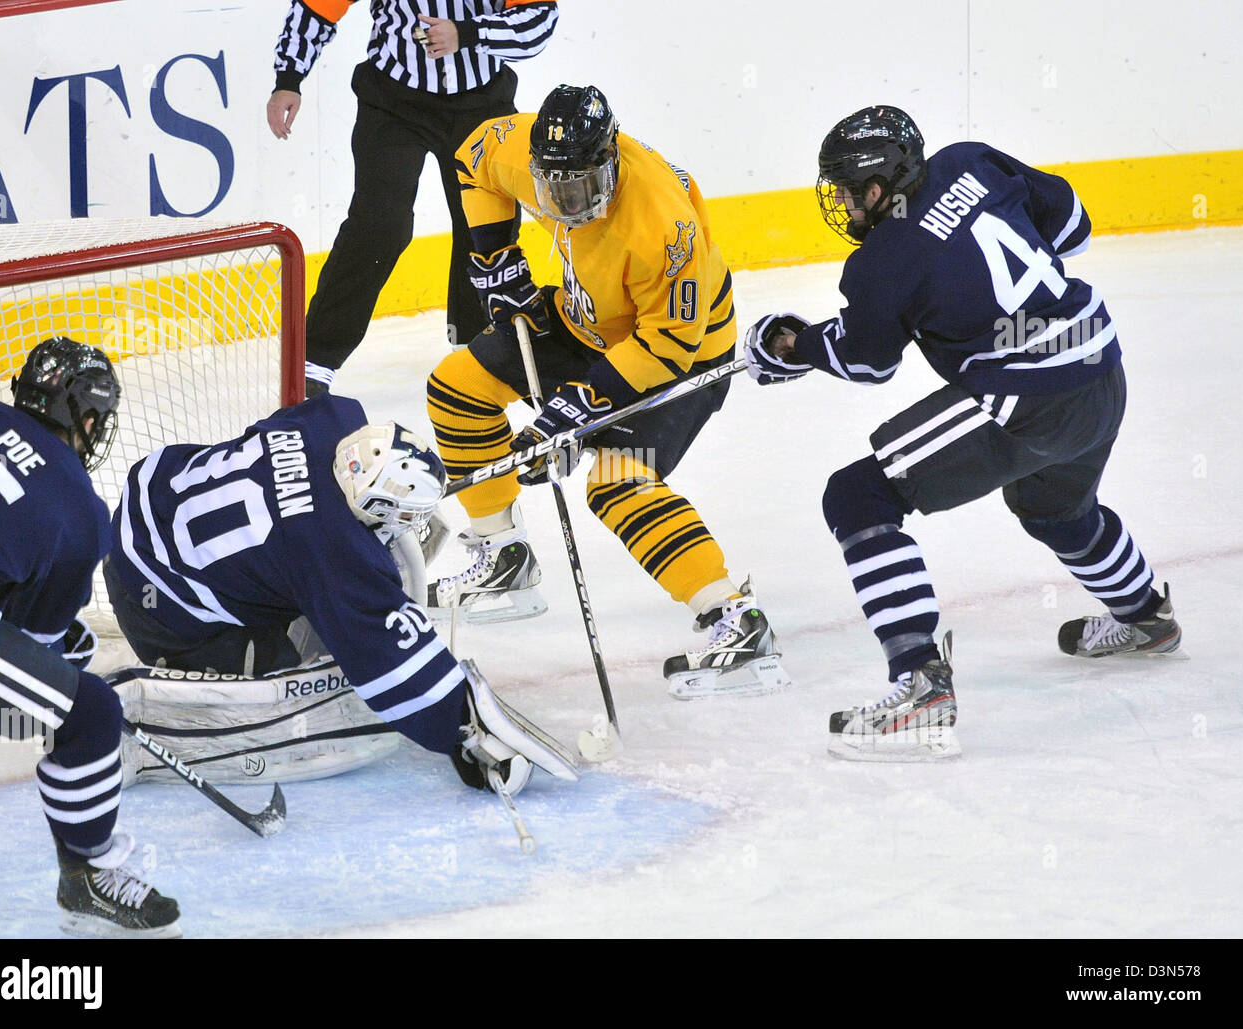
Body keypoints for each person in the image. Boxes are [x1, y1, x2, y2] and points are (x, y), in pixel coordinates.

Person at [743, 105, 1181, 760]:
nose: (837, 202)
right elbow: (1073, 224)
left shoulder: (882, 261)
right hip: (1098, 361)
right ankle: (1146, 616)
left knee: (858, 498)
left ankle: (920, 684)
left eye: (842, 189)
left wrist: (791, 343)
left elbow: (868, 360)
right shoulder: (970, 161)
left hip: (1027, 397)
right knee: (1055, 509)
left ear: (876, 186)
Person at [424, 83, 789, 699]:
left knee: (618, 481)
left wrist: (576, 410)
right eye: (553, 190)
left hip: (683, 352)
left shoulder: (662, 225)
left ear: (611, 164)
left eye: (581, 189)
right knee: (457, 387)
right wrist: (497, 258)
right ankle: (503, 557)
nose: (566, 204)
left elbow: (668, 346)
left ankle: (735, 619)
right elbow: (471, 157)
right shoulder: (525, 154)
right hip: (583, 318)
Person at [101, 392, 578, 797]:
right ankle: (147, 722)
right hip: (159, 608)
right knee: (296, 681)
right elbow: (387, 658)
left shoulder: (329, 419)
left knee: (292, 575)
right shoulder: (331, 551)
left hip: (145, 505)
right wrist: (463, 731)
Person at [0, 337, 181, 937]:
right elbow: (32, 639)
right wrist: (65, 666)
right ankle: (91, 876)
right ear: (86, 417)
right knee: (87, 717)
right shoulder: (81, 512)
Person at [268, 0, 560, 395]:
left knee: (485, 227)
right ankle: (315, 359)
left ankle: (478, 347)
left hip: (482, 101)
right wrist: (289, 77)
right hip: (392, 101)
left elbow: (538, 21)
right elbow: (317, 7)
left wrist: (468, 32)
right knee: (379, 225)